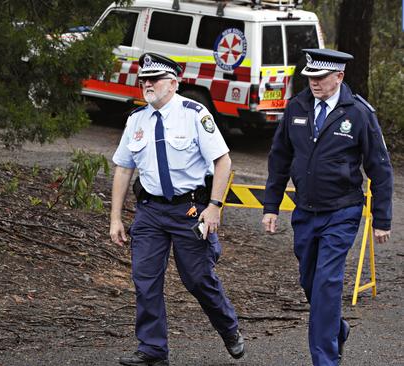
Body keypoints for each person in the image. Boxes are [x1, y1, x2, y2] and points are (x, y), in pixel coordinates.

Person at [109, 52, 244, 366]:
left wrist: (214, 207)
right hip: (150, 212)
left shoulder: (194, 114)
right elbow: (123, 169)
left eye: (154, 79)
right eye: (144, 80)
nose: (148, 85)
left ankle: (229, 328)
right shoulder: (136, 120)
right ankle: (153, 350)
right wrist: (116, 217)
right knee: (145, 280)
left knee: (197, 279)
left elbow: (223, 161)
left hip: (190, 210)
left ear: (173, 83)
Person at [262, 48, 393, 366]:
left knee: (327, 283)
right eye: (310, 77)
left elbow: (379, 166)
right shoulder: (296, 107)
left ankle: (325, 359)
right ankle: (336, 328)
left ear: (339, 76)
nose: (314, 83)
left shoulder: (359, 113)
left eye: (321, 77)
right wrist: (271, 206)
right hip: (305, 212)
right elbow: (279, 159)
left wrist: (382, 219)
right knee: (310, 281)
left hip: (342, 211)